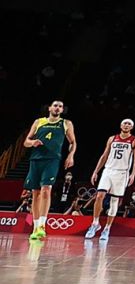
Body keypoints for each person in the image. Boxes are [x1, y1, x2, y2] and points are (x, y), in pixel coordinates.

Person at [21, 100, 75, 241]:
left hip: (52, 160)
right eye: (55, 105)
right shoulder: (39, 122)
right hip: (36, 159)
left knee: (46, 189)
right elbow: (26, 142)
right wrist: (33, 142)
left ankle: (42, 226)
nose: (57, 108)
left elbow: (73, 142)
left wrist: (71, 156)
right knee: (35, 192)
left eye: (60, 106)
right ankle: (35, 226)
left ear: (62, 110)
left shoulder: (66, 123)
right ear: (50, 108)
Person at [84, 118, 135, 243]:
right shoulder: (112, 138)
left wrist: (133, 174)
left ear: (132, 127)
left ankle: (107, 228)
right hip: (108, 170)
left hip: (122, 173)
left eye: (129, 124)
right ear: (120, 125)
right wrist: (96, 171)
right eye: (125, 123)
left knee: (115, 201)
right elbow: (104, 155)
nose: (126, 125)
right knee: (99, 196)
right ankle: (95, 223)